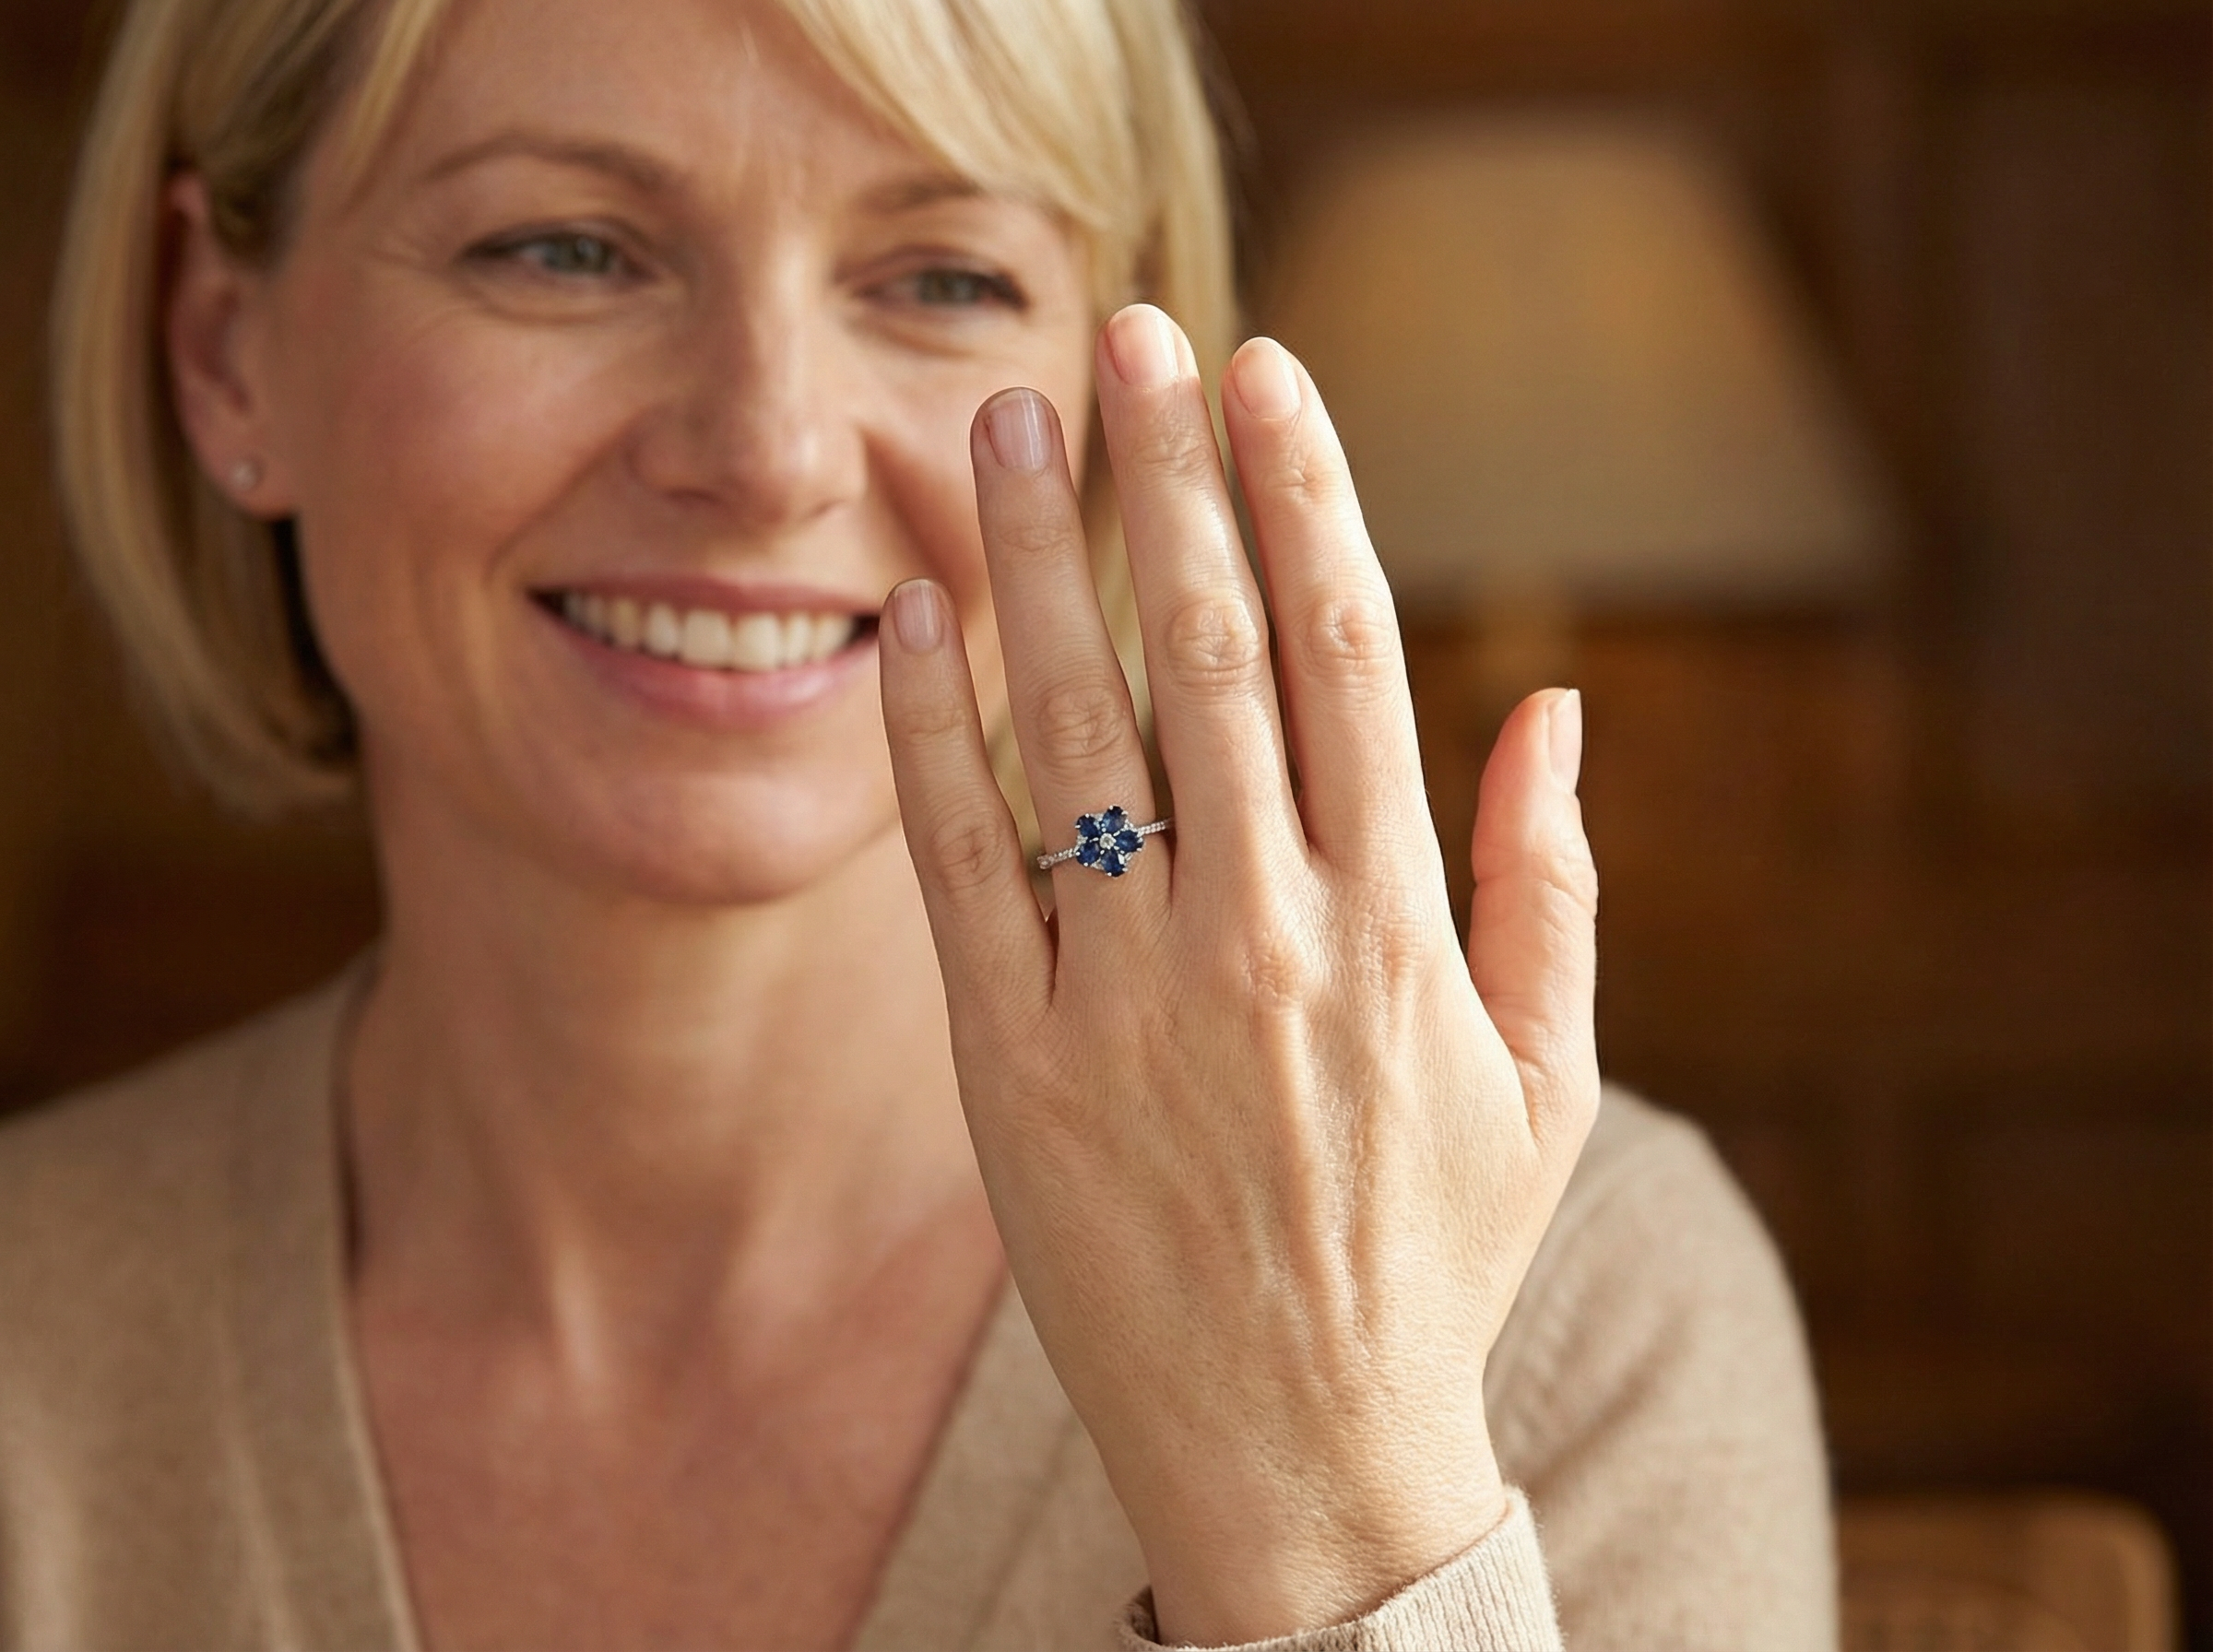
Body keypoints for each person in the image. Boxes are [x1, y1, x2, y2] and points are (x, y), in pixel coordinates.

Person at [0, 0, 1835, 1646]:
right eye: (564, 250)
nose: (769, 445)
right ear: (226, 347)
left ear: (1123, 394)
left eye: (941, 277)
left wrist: (1334, 1512)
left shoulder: (1574, 1305)